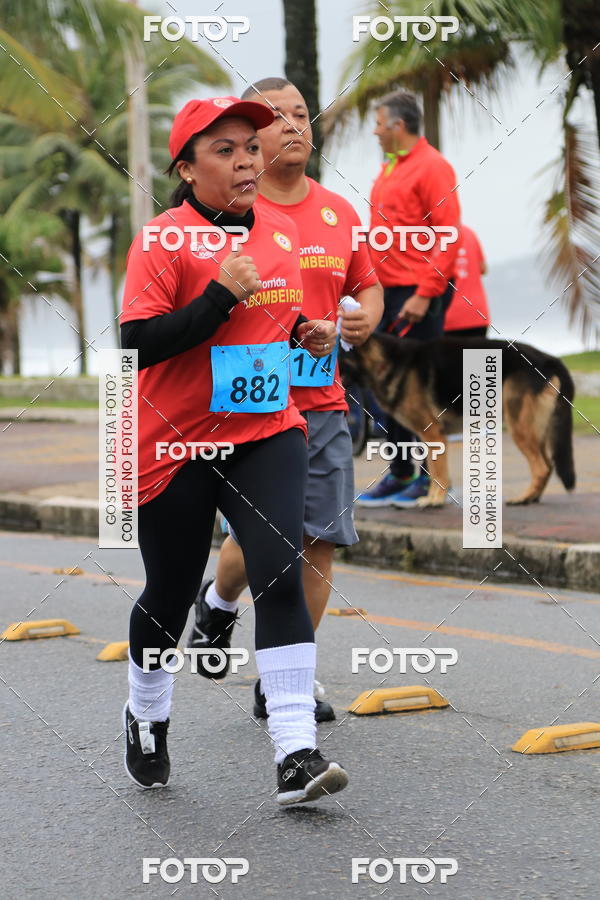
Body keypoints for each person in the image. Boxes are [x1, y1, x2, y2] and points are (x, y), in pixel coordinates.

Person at [120, 95, 348, 805]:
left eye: (251, 146)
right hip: (176, 442)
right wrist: (219, 296)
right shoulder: (160, 240)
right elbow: (137, 344)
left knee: (279, 575)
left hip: (265, 431)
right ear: (187, 170)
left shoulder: (282, 231)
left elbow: (272, 320)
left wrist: (307, 332)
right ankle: (146, 711)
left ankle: (295, 753)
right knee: (168, 592)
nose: (248, 160)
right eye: (225, 150)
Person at [187, 78, 383, 721]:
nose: (295, 124)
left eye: (302, 113)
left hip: (321, 402)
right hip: (250, 400)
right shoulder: (226, 215)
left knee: (318, 539)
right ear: (251, 140)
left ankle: (283, 681)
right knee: (262, 539)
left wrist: (364, 317)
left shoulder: (338, 212)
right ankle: (217, 603)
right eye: (278, 117)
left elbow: (367, 285)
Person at [356, 90, 461, 509]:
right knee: (388, 389)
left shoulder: (432, 166)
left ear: (398, 126)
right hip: (387, 293)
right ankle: (401, 472)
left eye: (379, 124)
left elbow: (448, 234)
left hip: (417, 293)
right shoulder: (390, 167)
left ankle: (429, 480)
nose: (375, 132)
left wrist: (425, 293)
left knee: (418, 393)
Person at [444, 224, 490, 338]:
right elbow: (483, 268)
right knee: (479, 350)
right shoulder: (468, 232)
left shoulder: (427, 236)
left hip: (447, 316)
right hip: (477, 313)